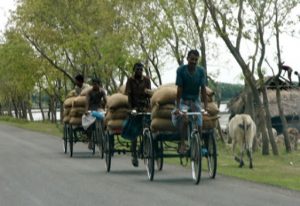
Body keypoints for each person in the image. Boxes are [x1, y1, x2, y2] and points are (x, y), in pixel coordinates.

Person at [172, 49, 207, 154]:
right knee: (185, 118)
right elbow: (179, 90)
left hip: (195, 99)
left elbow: (203, 89)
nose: (194, 62)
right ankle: (182, 143)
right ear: (187, 59)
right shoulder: (181, 70)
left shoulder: (201, 71)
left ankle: (199, 143)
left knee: (199, 120)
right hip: (183, 100)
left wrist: (206, 106)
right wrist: (178, 107)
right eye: (192, 59)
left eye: (196, 60)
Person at [125, 62, 151, 167]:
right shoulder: (130, 80)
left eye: (141, 69)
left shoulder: (147, 80)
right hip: (134, 107)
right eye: (137, 69)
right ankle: (134, 154)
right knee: (134, 132)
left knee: (147, 128)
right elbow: (129, 95)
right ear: (134, 70)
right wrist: (131, 109)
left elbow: (149, 94)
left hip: (144, 107)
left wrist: (149, 106)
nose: (139, 71)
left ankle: (142, 148)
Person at [85, 77, 107, 149]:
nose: (94, 85)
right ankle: (90, 140)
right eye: (93, 84)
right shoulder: (89, 92)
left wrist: (107, 107)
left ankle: (103, 133)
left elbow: (106, 100)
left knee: (104, 119)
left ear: (99, 84)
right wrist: (86, 110)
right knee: (88, 123)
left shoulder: (102, 92)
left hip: (99, 109)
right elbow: (87, 102)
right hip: (91, 109)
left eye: (96, 84)